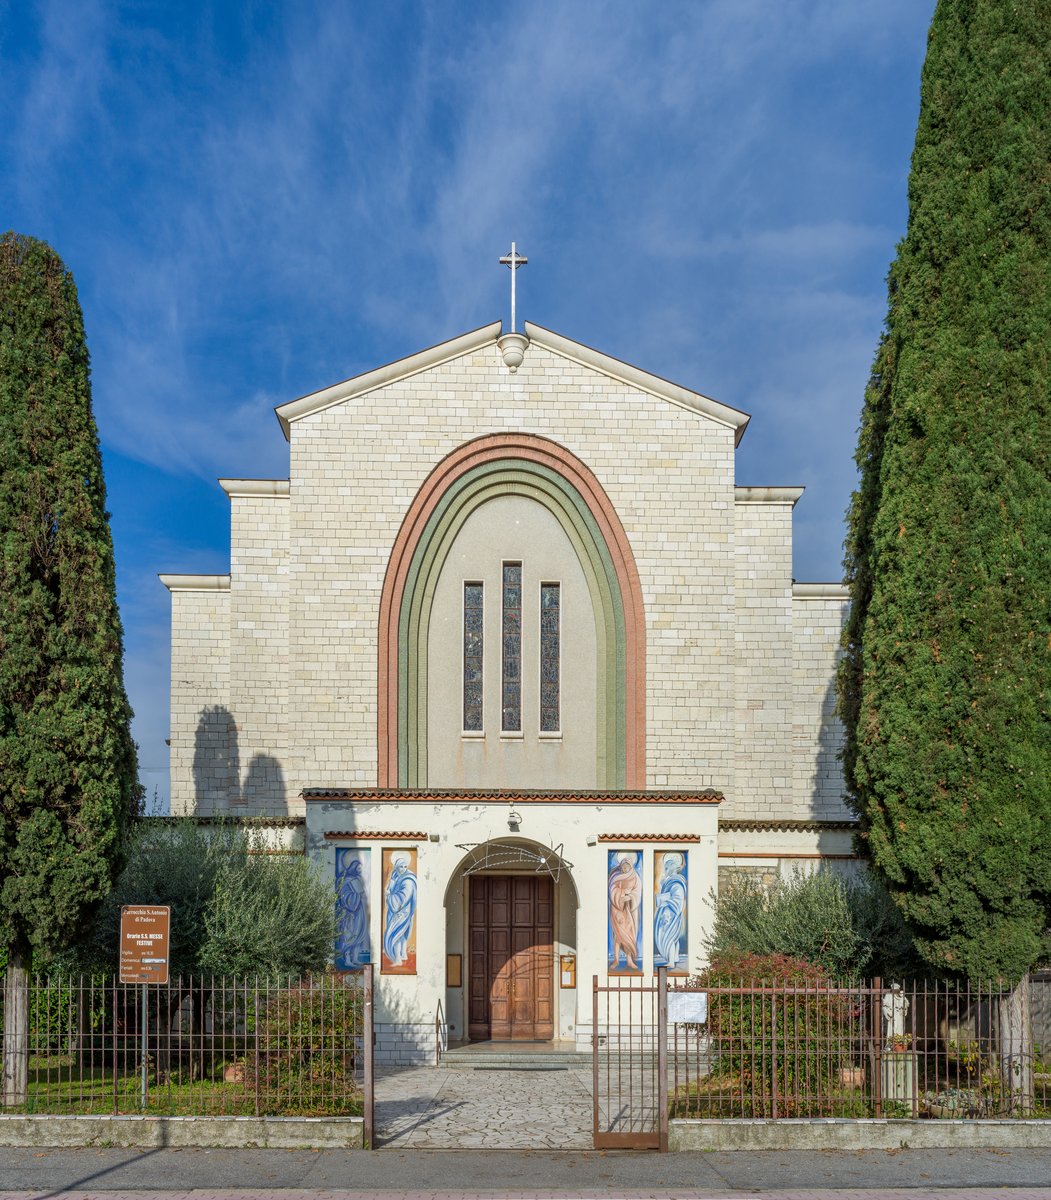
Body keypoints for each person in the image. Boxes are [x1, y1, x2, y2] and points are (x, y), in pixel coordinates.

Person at [335, 850, 369, 968]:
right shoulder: (346, 880)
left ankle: (355, 958)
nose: (360, 870)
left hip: (359, 911)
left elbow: (362, 893)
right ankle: (348, 959)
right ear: (353, 868)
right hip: (348, 912)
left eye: (361, 868)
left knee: (359, 934)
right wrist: (354, 897)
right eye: (358, 868)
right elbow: (343, 895)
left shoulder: (358, 879)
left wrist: (359, 895)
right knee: (349, 935)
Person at [383, 854, 418, 966]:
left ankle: (397, 959)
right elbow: (390, 889)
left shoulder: (408, 880)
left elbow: (403, 898)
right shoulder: (395, 876)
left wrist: (389, 895)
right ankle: (402, 954)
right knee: (400, 934)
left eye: (405, 866)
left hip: (402, 911)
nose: (403, 869)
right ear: (396, 867)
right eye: (401, 867)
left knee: (396, 934)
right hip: (395, 911)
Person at [653, 852, 687, 969]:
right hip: (668, 914)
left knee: (669, 938)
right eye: (665, 867)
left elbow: (677, 901)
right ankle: (675, 958)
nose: (666, 869)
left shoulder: (677, 883)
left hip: (672, 915)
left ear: (674, 867)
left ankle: (671, 962)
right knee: (673, 938)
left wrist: (665, 900)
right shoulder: (669, 881)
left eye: (668, 867)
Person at [608, 854, 642, 969]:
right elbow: (613, 890)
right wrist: (623, 894)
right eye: (623, 866)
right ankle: (616, 960)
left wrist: (630, 896)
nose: (625, 868)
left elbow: (637, 892)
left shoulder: (635, 878)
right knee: (617, 936)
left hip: (629, 910)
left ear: (631, 866)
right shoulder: (616, 877)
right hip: (617, 909)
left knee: (628, 935)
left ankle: (629, 960)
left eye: (627, 866)